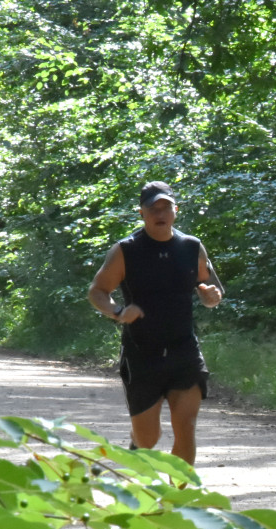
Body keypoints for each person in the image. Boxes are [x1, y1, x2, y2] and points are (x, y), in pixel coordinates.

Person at [87, 181, 223, 467]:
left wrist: (209, 295)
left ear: (176, 210)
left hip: (184, 349)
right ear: (142, 213)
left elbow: (211, 288)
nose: (160, 213)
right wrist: (118, 311)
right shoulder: (126, 250)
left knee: (185, 427)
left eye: (166, 207)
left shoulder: (191, 247)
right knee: (148, 438)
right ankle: (138, 443)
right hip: (142, 354)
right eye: (153, 209)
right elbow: (97, 291)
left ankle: (176, 499)